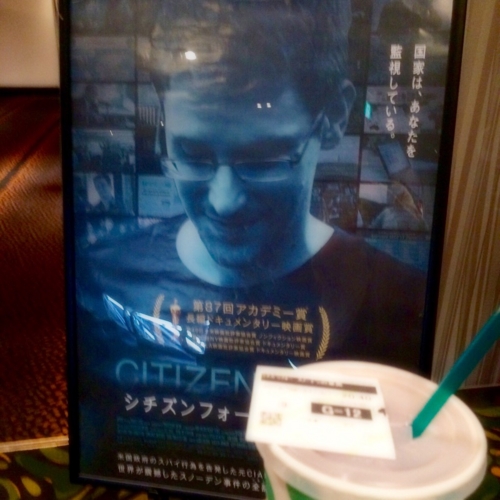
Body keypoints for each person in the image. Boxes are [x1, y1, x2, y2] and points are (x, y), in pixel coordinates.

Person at [78, 0, 426, 372]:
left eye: (263, 160)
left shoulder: (399, 304)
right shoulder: (101, 277)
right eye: (192, 156)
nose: (224, 202)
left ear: (335, 117)